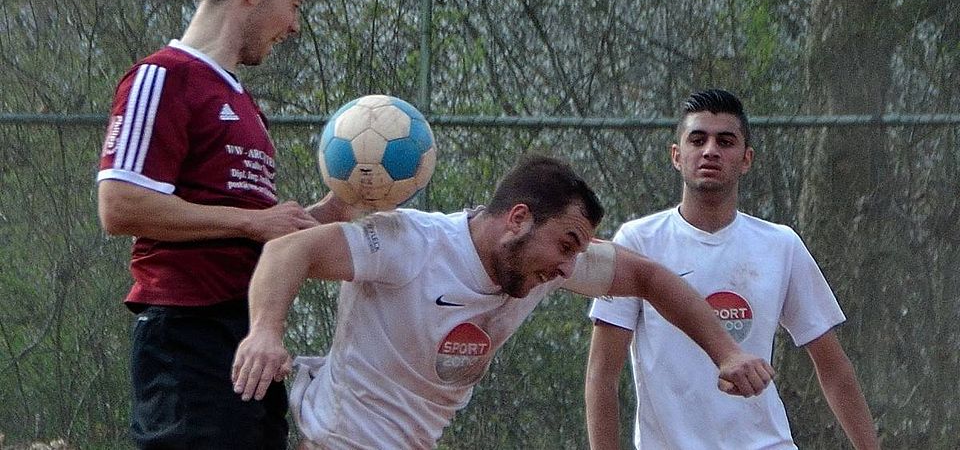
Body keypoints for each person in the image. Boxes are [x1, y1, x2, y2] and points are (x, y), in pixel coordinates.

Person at [230, 154, 776, 449]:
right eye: (566, 245)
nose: (568, 268)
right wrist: (265, 332)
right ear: (518, 219)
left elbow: (652, 277)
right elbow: (289, 249)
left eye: (577, 251)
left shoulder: (547, 264)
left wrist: (726, 352)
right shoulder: (410, 243)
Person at [96, 0, 338, 448]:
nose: (294, 25)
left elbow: (263, 232)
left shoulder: (243, 102)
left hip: (246, 339)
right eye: (294, 4)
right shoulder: (162, 76)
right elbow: (120, 204)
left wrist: (339, 206)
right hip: (187, 337)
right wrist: (252, 222)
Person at [584, 89, 880, 449]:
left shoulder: (781, 244)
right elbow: (602, 376)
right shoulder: (636, 242)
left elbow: (834, 368)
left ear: (746, 159)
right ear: (676, 155)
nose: (710, 151)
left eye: (725, 141)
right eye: (698, 140)